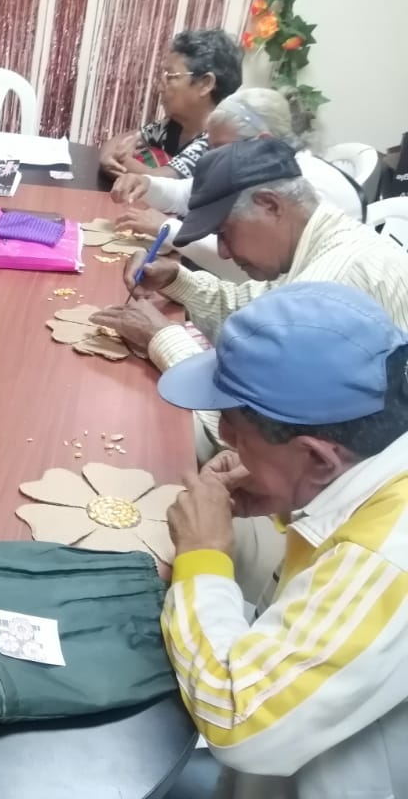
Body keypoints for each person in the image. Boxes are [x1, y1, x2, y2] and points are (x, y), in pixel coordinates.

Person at [158, 282, 408, 798]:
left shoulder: (385, 558)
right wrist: (293, 496)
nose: (225, 444)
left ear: (317, 456)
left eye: (235, 432)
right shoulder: (377, 462)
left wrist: (201, 558)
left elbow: (238, 718)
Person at [91, 138, 408, 372]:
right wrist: (176, 279)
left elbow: (251, 415)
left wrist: (161, 337)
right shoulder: (321, 243)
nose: (223, 252)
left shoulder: (327, 289)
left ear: (270, 205)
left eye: (224, 232)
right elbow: (252, 314)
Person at [110, 88, 365, 281]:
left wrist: (166, 228)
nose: (211, 158)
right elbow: (190, 193)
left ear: (262, 141)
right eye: (210, 148)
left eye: (221, 149)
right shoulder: (262, 170)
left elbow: (255, 275)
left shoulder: (302, 187)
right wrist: (147, 184)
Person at [98, 29, 242, 180]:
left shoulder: (215, 141)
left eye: (171, 77)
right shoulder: (173, 127)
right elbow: (121, 139)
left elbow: (161, 180)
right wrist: (108, 155)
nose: (159, 88)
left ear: (205, 84)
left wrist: (119, 158)